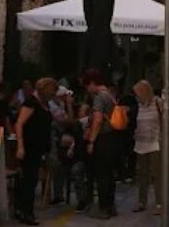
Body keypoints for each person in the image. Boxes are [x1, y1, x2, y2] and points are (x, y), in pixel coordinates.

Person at [15, 78, 58, 226]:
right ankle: (26, 212)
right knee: (28, 180)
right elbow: (19, 124)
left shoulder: (44, 104)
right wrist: (20, 146)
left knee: (31, 180)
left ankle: (24, 210)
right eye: (52, 90)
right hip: (29, 147)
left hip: (38, 148)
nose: (53, 94)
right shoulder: (31, 103)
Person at [83, 69, 120, 219]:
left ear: (92, 83)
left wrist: (91, 141)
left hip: (103, 139)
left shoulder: (99, 97)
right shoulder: (110, 95)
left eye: (87, 85)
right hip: (113, 138)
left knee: (102, 174)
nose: (87, 89)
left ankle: (103, 208)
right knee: (110, 175)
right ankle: (110, 206)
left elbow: (98, 120)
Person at [131, 80, 162, 215]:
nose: (136, 96)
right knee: (142, 174)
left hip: (155, 142)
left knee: (157, 174)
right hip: (140, 143)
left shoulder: (158, 102)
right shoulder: (139, 105)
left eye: (138, 93)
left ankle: (160, 203)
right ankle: (141, 201)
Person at [47, 85, 74, 205]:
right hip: (52, 141)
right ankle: (58, 194)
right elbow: (69, 122)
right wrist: (69, 105)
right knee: (58, 164)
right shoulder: (52, 106)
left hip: (59, 140)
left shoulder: (60, 105)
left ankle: (60, 194)